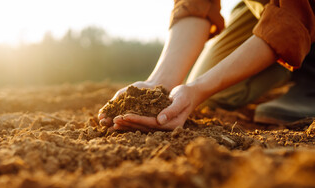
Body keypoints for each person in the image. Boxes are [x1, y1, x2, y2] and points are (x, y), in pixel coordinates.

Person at [99, 0, 315, 132]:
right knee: (213, 86)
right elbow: (196, 4)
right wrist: (159, 83)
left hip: (302, 6)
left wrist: (199, 89)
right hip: (270, 4)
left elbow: (293, 20)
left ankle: (309, 76)